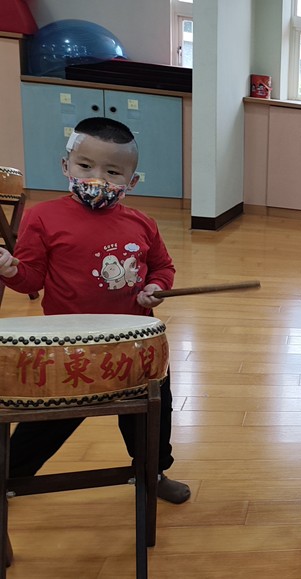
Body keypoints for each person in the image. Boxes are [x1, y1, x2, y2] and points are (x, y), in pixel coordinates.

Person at [0, 117, 191, 503]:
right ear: (65, 165)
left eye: (113, 172)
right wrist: (11, 269)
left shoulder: (143, 223)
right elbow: (31, 279)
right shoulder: (43, 217)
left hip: (135, 342)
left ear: (132, 182)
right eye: (85, 166)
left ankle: (152, 471)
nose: (97, 178)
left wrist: (156, 287)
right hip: (70, 344)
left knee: (153, 413)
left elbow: (162, 267)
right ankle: (9, 477)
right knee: (50, 418)